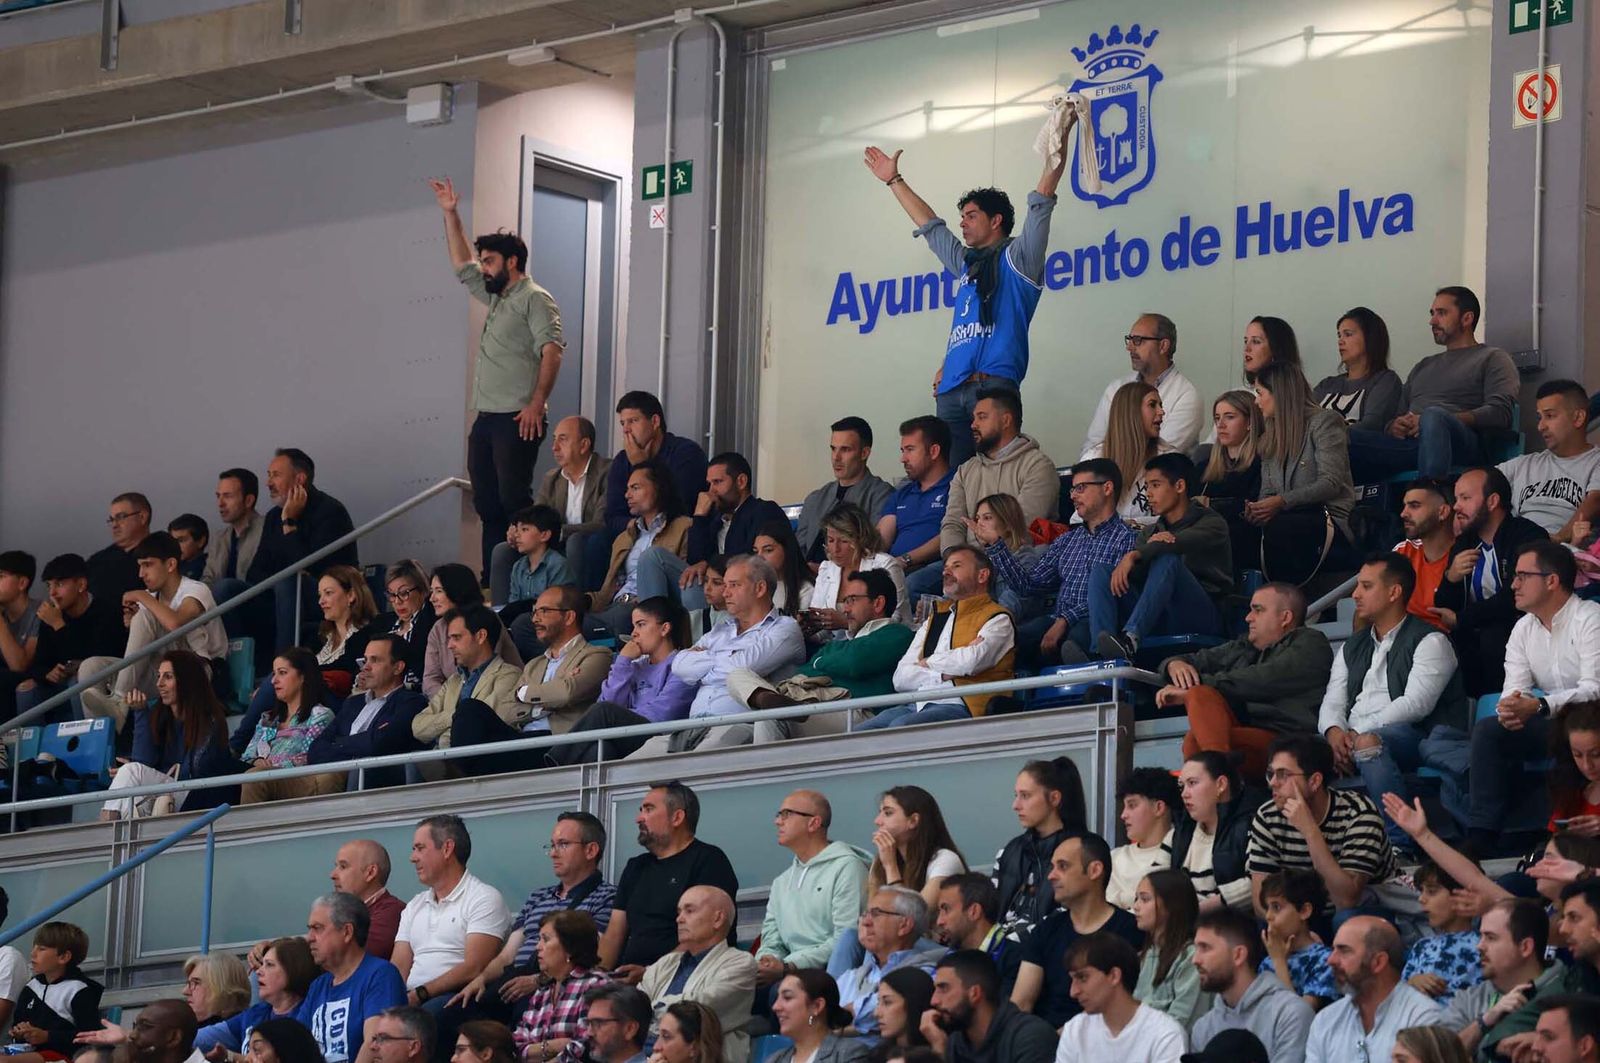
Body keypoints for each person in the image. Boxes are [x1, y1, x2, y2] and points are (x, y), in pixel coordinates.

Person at [861, 137, 1070, 467]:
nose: (962, 223)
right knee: (952, 484)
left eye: (971, 216)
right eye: (962, 217)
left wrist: (1060, 137)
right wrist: (893, 180)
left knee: (996, 476)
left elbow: (1042, 200)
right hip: (950, 392)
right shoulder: (964, 264)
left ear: (996, 221)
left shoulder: (1020, 258)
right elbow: (931, 227)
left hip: (994, 386)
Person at [428, 178, 564, 579]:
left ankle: (528, 575)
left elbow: (552, 350)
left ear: (512, 262)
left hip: (517, 416)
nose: (483, 267)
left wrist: (537, 402)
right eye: (484, 260)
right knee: (487, 502)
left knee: (513, 500)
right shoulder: (496, 295)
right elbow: (461, 265)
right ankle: (495, 576)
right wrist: (451, 213)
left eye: (489, 261)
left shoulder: (535, 298)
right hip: (487, 416)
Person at [1430, 540, 1600, 857]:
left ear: (1552, 581)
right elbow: (1514, 689)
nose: (1513, 585)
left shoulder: (1591, 618)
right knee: (1490, 730)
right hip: (1556, 723)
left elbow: (1594, 689)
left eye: (1523, 576)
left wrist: (1539, 705)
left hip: (1595, 722)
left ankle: (1555, 832)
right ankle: (1483, 833)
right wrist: (1511, 709)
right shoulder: (1523, 628)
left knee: (1575, 733)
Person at [1317, 554, 1468, 850]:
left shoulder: (1431, 641)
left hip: (1415, 737)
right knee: (1294, 753)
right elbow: (1332, 700)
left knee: (1368, 744)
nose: (1355, 594)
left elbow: (1415, 705)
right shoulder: (1352, 646)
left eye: (1366, 586)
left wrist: (1356, 734)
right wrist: (1334, 732)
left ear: (1394, 592)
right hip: (1352, 736)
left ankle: (1400, 844)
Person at [447, 812, 616, 1025]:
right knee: (451, 1013)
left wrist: (538, 981)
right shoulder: (538, 896)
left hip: (555, 987)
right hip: (511, 981)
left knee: (520, 1013)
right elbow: (507, 956)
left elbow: (593, 959)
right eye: (552, 845)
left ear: (590, 850)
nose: (553, 853)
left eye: (563, 844)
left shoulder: (607, 897)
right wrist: (480, 979)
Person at [629, 555, 805, 755]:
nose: (725, 592)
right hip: (691, 726)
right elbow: (679, 666)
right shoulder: (720, 630)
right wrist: (728, 658)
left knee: (696, 765)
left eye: (734, 585)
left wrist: (704, 664)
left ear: (760, 589)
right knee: (629, 766)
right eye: (725, 585)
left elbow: (739, 669)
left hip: (738, 725)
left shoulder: (785, 628)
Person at [1158, 582, 1332, 778]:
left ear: (1285, 617)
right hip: (1246, 738)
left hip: (1291, 743)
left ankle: (1215, 779)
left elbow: (1263, 679)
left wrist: (1193, 688)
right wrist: (1174, 664)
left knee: (1199, 700)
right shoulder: (1244, 646)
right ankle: (1218, 779)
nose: (1248, 617)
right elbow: (1199, 659)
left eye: (1258, 610)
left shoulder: (1311, 643)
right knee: (1193, 736)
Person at [1346, 287, 1519, 481]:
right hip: (1410, 445)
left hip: (1462, 443)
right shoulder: (1424, 365)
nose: (1432, 321)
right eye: (1432, 313)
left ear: (1466, 319)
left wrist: (1437, 419)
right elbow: (1396, 416)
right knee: (1339, 437)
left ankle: (1430, 494)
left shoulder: (1493, 357)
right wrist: (1394, 426)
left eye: (1441, 313)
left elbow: (1501, 412)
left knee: (1434, 416)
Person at [980, 458, 1137, 668]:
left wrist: (1066, 619)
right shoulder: (1066, 540)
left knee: (1076, 638)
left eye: (1080, 488)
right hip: (1056, 620)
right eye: (1072, 490)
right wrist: (996, 545)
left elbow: (1112, 595)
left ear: (1107, 488)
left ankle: (1093, 682)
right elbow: (1028, 586)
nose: (1072, 496)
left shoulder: (1127, 538)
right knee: (1009, 641)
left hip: (1097, 623)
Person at [450, 587, 612, 771]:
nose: (535, 619)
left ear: (569, 617)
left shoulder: (597, 655)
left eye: (544, 611)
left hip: (555, 745)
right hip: (522, 740)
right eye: (534, 612)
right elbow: (506, 711)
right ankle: (456, 774)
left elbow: (567, 693)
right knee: (470, 709)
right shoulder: (534, 665)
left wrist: (523, 693)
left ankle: (455, 777)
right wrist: (543, 705)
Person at [743, 570, 915, 742]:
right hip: (817, 704)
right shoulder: (843, 644)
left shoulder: (897, 634)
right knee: (738, 677)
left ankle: (771, 703)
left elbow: (854, 663)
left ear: (878, 603)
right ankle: (766, 698)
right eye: (845, 602)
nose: (845, 609)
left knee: (771, 716)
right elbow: (805, 672)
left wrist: (820, 662)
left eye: (852, 600)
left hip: (857, 711)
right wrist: (826, 664)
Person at [78, 532, 228, 727]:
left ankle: (118, 701)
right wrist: (133, 623)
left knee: (147, 614)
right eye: (140, 566)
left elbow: (175, 622)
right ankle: (98, 735)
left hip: (198, 671)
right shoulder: (150, 597)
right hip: (162, 671)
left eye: (148, 565)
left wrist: (142, 598)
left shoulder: (196, 589)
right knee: (90, 667)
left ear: (171, 564)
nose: (141, 574)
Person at [1092, 453, 1233, 660]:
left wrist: (1135, 554)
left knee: (1168, 560)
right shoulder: (1149, 532)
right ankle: (1100, 653)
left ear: (1180, 486)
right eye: (1146, 486)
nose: (1148, 493)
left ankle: (1130, 638)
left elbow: (1179, 543)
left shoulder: (1212, 523)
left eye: (1155, 485)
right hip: (1158, 613)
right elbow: (1137, 574)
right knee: (1101, 571)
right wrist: (1137, 558)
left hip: (1204, 614)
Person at [1247, 735, 1401, 917]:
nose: (1273, 783)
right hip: (1300, 915)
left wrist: (1310, 832)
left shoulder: (1359, 814)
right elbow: (1260, 902)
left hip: (1369, 909)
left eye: (1283, 775)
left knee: (1345, 918)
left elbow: (1346, 900)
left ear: (1314, 781)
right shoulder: (1268, 816)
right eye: (1271, 774)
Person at [600, 782, 739, 976]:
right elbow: (614, 933)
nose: (638, 818)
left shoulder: (709, 860)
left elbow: (704, 935)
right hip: (629, 980)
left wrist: (651, 974)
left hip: (689, 976)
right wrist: (596, 976)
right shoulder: (636, 867)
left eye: (649, 809)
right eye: (641, 810)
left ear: (677, 817)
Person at [868, 546, 1015, 730]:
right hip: (919, 704)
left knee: (900, 727)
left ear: (982, 575)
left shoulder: (998, 618)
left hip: (964, 705)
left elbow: (972, 661)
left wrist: (927, 662)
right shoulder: (935, 617)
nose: (946, 572)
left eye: (957, 566)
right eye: (946, 567)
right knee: (860, 732)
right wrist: (943, 673)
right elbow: (900, 679)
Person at [1433, 465, 1549, 696]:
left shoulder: (1527, 535)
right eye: (1456, 498)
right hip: (1473, 636)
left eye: (1465, 498)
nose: (1456, 506)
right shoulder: (1464, 542)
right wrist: (1451, 577)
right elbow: (1444, 605)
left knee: (1492, 635)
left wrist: (1462, 618)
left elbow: (1516, 598)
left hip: (1521, 631)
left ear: (1492, 501)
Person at [1011, 833, 1143, 1030]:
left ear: (1094, 870)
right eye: (1052, 867)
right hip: (1040, 1040)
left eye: (1063, 866)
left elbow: (1126, 1005)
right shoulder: (1045, 930)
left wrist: (1065, 1038)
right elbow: (1021, 1004)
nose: (1051, 876)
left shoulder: (1132, 931)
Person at [546, 598, 695, 766]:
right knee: (600, 749)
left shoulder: (683, 663)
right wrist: (623, 662)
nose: (634, 633)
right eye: (634, 626)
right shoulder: (634, 667)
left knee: (605, 712)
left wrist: (621, 717)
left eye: (641, 625)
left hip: (660, 735)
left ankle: (554, 765)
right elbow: (607, 703)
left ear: (664, 628)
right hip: (630, 735)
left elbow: (662, 714)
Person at [391, 815, 513, 1015]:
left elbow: (474, 967)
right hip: (412, 999)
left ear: (447, 848)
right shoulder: (414, 905)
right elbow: (397, 969)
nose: (412, 858)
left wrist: (420, 994)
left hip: (456, 998)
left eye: (420, 848)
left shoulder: (484, 898)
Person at [635, 453, 786, 612]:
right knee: (652, 556)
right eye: (709, 484)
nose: (711, 491)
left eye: (718, 482)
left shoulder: (763, 511)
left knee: (691, 587)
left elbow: (752, 558)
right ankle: (650, 621)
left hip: (740, 587)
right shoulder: (715, 518)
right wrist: (699, 515)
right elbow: (695, 561)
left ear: (741, 481)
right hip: (711, 584)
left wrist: (710, 563)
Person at [1250, 361, 1356, 582]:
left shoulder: (1325, 422)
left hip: (1327, 518)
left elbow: (1330, 482)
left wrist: (1282, 501)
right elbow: (1267, 491)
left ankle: (1285, 597)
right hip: (1287, 519)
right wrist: (1259, 510)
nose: (1256, 401)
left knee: (1283, 529)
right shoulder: (1268, 437)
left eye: (1260, 393)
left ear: (1279, 393)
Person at [99, 650, 237, 820]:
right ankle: (110, 832)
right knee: (130, 781)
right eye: (159, 676)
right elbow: (144, 761)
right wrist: (140, 712)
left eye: (168, 677)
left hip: (196, 796)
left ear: (186, 681)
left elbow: (197, 773)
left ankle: (105, 831)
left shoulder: (210, 719)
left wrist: (148, 773)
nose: (159, 683)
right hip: (168, 793)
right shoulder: (160, 715)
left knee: (131, 771)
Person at [247, 449, 359, 652]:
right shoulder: (273, 517)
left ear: (299, 479)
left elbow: (317, 570)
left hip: (327, 597)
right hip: (278, 596)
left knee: (289, 582)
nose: (268, 483)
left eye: (276, 475)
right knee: (227, 589)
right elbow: (255, 572)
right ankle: (241, 663)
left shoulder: (330, 511)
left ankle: (285, 661)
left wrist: (289, 523)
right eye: (269, 475)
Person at [756, 790, 870, 984]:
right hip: (786, 971)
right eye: (779, 814)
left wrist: (789, 966)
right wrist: (765, 962)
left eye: (786, 814)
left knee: (782, 993)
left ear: (814, 823)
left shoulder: (847, 867)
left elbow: (846, 939)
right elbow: (771, 941)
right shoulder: (781, 882)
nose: (778, 821)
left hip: (829, 974)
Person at [1437, 898, 1567, 1062]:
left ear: (1525, 947)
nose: (1479, 946)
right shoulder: (1469, 998)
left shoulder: (1566, 989)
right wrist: (1484, 1022)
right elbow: (1436, 1057)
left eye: (1491, 938)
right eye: (1481, 936)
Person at [1302, 917, 1445, 1063]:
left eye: (1344, 951)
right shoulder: (1326, 1020)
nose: (1330, 960)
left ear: (1378, 962)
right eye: (1333, 949)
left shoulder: (1423, 1018)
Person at [639, 887, 754, 1062]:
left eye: (689, 910)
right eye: (679, 912)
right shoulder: (666, 963)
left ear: (717, 919)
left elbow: (695, 1012)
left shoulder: (740, 963)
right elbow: (634, 1007)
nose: (679, 919)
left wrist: (651, 1008)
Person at [939, 389, 1059, 553]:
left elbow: (1021, 525)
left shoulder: (1037, 465)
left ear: (1006, 420)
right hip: (969, 558)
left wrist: (987, 554)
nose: (973, 425)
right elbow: (953, 523)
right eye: (974, 418)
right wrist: (954, 556)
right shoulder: (965, 470)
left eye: (982, 417)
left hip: (1018, 558)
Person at [1189, 907, 1314, 1063]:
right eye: (1196, 948)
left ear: (1238, 955)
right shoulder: (1203, 1027)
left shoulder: (1289, 1014)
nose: (1195, 959)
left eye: (1205, 948)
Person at [299, 892, 409, 1063]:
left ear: (347, 932)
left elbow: (374, 1043)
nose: (309, 938)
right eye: (309, 929)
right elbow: (296, 1045)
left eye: (318, 928)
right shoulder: (318, 986)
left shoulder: (380, 975)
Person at [310, 634, 428, 791]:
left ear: (398, 667)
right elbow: (315, 749)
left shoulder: (411, 703)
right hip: (328, 775)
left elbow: (377, 744)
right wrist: (355, 745)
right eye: (365, 660)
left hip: (371, 782)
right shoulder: (352, 703)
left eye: (375, 660)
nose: (366, 667)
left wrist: (337, 743)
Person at [589, 461, 693, 637]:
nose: (627, 495)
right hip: (616, 606)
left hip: (644, 611)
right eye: (627, 489)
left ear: (659, 488)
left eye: (635, 488)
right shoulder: (624, 538)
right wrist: (580, 602)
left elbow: (682, 581)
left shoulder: (684, 527)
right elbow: (607, 590)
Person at [17, 553, 126, 721]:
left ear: (81, 585)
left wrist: (59, 626)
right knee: (26, 689)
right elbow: (37, 664)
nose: (52, 593)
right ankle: (32, 739)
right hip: (60, 685)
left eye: (59, 584)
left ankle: (87, 735)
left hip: (101, 682)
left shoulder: (106, 611)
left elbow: (99, 656)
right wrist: (48, 673)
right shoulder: (51, 616)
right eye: (49, 585)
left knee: (78, 681)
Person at [1082, 314, 1203, 459]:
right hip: (1108, 472)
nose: (1129, 347)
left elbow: (1160, 455)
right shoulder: (1116, 388)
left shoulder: (1187, 396)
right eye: (1130, 339)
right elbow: (1092, 446)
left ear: (1163, 346)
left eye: (1138, 340)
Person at [991, 757, 1089, 936]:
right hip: (998, 945)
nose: (1015, 805)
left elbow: (1072, 918)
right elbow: (990, 912)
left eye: (1025, 796)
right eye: (1016, 795)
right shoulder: (1009, 852)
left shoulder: (1081, 851)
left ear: (1054, 798)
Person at [1053, 932, 1187, 1061]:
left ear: (1114, 976)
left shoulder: (1165, 1034)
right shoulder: (1075, 1030)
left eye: (1083, 978)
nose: (1073, 991)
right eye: (1073, 980)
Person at [409, 607, 524, 755]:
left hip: (482, 760)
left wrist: (444, 722)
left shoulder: (509, 675)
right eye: (449, 638)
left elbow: (476, 724)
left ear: (481, 636)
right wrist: (454, 716)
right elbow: (418, 727)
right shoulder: (453, 681)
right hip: (445, 758)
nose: (449, 645)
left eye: (456, 637)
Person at [835, 887, 945, 1038]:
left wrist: (840, 1023)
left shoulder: (926, 973)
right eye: (865, 914)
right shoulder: (849, 977)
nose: (865, 922)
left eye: (876, 914)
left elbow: (827, 1020)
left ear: (904, 925)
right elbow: (814, 1019)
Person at [1498, 380, 1600, 540]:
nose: (1541, 426)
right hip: (1515, 545)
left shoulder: (1596, 462)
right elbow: (1482, 482)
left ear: (1578, 418)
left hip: (1562, 549)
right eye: (1540, 417)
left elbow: (1596, 500)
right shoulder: (1523, 464)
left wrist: (1558, 539)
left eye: (1550, 416)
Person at [522, 414, 613, 594]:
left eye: (562, 439)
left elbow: (602, 523)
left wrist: (560, 532)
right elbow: (536, 518)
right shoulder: (552, 478)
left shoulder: (608, 472)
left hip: (593, 547)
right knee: (504, 550)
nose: (554, 447)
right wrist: (520, 530)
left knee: (575, 541)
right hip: (556, 545)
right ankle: (506, 610)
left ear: (584, 445)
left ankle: (574, 604)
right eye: (554, 439)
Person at [507, 911, 612, 1063]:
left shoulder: (596, 985)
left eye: (545, 939)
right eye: (539, 939)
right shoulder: (543, 991)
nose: (538, 947)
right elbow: (517, 1047)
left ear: (570, 947)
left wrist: (538, 1052)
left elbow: (587, 1046)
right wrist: (554, 1046)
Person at [238, 648, 341, 803]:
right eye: (274, 674)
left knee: (255, 778)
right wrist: (255, 761)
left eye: (282, 673)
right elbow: (246, 756)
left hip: (299, 781)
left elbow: (308, 757)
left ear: (303, 676)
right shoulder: (268, 719)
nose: (273, 680)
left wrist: (269, 768)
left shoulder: (320, 715)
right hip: (264, 780)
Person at [603, 392, 709, 539]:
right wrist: (637, 526)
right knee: (595, 541)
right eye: (623, 423)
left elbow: (678, 507)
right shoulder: (622, 460)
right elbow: (612, 516)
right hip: (632, 533)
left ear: (655, 421)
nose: (626, 429)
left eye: (633, 421)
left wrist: (641, 466)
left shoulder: (686, 453)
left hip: (674, 536)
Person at [919, 950, 1054, 1062]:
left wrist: (941, 1051)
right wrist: (940, 1050)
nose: (934, 1001)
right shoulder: (957, 1041)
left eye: (943, 988)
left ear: (975, 993)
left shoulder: (1031, 1037)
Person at [795, 418, 895, 567]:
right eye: (833, 449)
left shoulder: (882, 495)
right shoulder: (815, 499)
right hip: (807, 577)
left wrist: (828, 570)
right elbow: (797, 551)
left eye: (845, 449)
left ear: (864, 453)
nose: (836, 457)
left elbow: (872, 551)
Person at [194, 937, 315, 1056]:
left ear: (293, 970)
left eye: (269, 965)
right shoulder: (254, 1014)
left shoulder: (310, 1013)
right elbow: (197, 1040)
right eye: (262, 964)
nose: (258, 972)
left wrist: (230, 1057)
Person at [1171, 753, 1260, 913]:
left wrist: (1196, 912)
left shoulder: (1252, 824)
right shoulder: (1182, 829)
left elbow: (1256, 883)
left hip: (1233, 923)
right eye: (1182, 786)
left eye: (1192, 783)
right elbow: (1159, 880)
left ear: (1221, 784)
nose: (1184, 793)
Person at [879, 417, 955, 599]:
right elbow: (880, 538)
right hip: (897, 567)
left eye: (910, 450)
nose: (903, 459)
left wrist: (905, 559)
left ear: (934, 451)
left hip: (935, 564)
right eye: (902, 451)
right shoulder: (902, 493)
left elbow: (952, 533)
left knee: (910, 585)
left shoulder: (957, 485)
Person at [6, 921, 103, 1063]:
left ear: (63, 957)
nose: (33, 954)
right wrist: (19, 1032)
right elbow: (18, 1021)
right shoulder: (31, 987)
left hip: (65, 1056)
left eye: (41, 949)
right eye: (34, 947)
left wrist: (47, 1036)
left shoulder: (80, 990)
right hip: (28, 1052)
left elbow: (90, 1037)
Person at [420, 566, 523, 698]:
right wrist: (448, 702)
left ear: (457, 591)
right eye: (431, 591)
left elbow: (485, 672)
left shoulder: (486, 619)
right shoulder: (438, 628)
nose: (432, 598)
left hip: (496, 696)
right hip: (451, 702)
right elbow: (430, 679)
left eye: (439, 591)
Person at [1084, 380, 1175, 525]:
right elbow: (1080, 518)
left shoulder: (1168, 458)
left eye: (1161, 405)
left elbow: (1174, 517)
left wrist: (1133, 524)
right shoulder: (1094, 459)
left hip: (1152, 537)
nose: (1161, 412)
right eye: (1152, 405)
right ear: (1131, 412)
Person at [807, 505, 907, 636]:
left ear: (861, 539)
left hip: (880, 642)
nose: (835, 549)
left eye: (844, 541)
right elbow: (821, 629)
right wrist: (807, 629)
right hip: (837, 645)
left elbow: (896, 620)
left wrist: (847, 623)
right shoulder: (826, 569)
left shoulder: (885, 565)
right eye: (831, 540)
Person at [1193, 391, 1262, 576]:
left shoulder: (1262, 464)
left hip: (1239, 546)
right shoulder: (1203, 467)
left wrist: (1210, 504)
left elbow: (1252, 507)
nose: (1221, 425)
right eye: (1217, 418)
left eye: (1229, 417)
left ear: (1250, 423)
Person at [1132, 871, 1209, 1029]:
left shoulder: (1192, 958)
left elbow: (1181, 1022)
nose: (1136, 907)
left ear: (1171, 905)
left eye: (1145, 899)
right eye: (1136, 899)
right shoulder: (1146, 955)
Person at [1399, 861, 1481, 1004]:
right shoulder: (1422, 946)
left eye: (1431, 891)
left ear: (1462, 895)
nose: (1421, 899)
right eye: (1421, 891)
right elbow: (1397, 999)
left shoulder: (1483, 945)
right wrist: (1412, 982)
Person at [502, 505, 578, 657]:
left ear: (544, 535)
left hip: (551, 625)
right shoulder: (518, 567)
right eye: (517, 530)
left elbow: (559, 607)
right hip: (525, 623)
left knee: (521, 624)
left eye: (524, 530)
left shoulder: (558, 564)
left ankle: (553, 660)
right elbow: (514, 604)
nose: (517, 535)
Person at [1312, 307, 1404, 432]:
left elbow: (1372, 425)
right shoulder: (1327, 384)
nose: (1340, 341)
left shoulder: (1385, 380)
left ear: (1370, 338)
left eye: (1348, 334)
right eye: (1339, 335)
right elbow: (1303, 419)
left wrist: (1329, 436)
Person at [1257, 870, 1337, 1007]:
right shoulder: (1268, 962)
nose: (1268, 916)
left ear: (1304, 911)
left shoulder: (1324, 960)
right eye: (1267, 908)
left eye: (1276, 907)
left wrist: (1279, 962)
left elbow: (1301, 1014)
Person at [1109, 769, 1178, 910]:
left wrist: (1122, 899)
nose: (1123, 815)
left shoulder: (1182, 854)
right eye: (1124, 807)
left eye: (1132, 805)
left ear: (1159, 807)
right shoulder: (1113, 857)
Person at [767, 969, 869, 1063]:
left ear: (817, 1006)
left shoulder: (849, 1054)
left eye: (787, 997)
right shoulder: (775, 1060)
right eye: (777, 998)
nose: (776, 1007)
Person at [1395, 480, 1458, 631]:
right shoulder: (1403, 552)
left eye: (1414, 506)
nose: (1403, 514)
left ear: (1442, 512)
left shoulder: (1467, 554)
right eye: (1405, 506)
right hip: (1406, 640)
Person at [330, 839, 407, 962]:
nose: (333, 875)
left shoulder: (393, 912)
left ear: (370, 873)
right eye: (336, 866)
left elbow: (347, 958)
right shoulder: (343, 914)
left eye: (343, 866)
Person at [205, 468, 264, 593]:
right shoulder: (219, 538)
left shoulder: (267, 529)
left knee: (225, 586)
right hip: (223, 602)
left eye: (227, 496)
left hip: (257, 598)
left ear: (248, 501)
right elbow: (208, 579)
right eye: (218, 496)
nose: (220, 503)